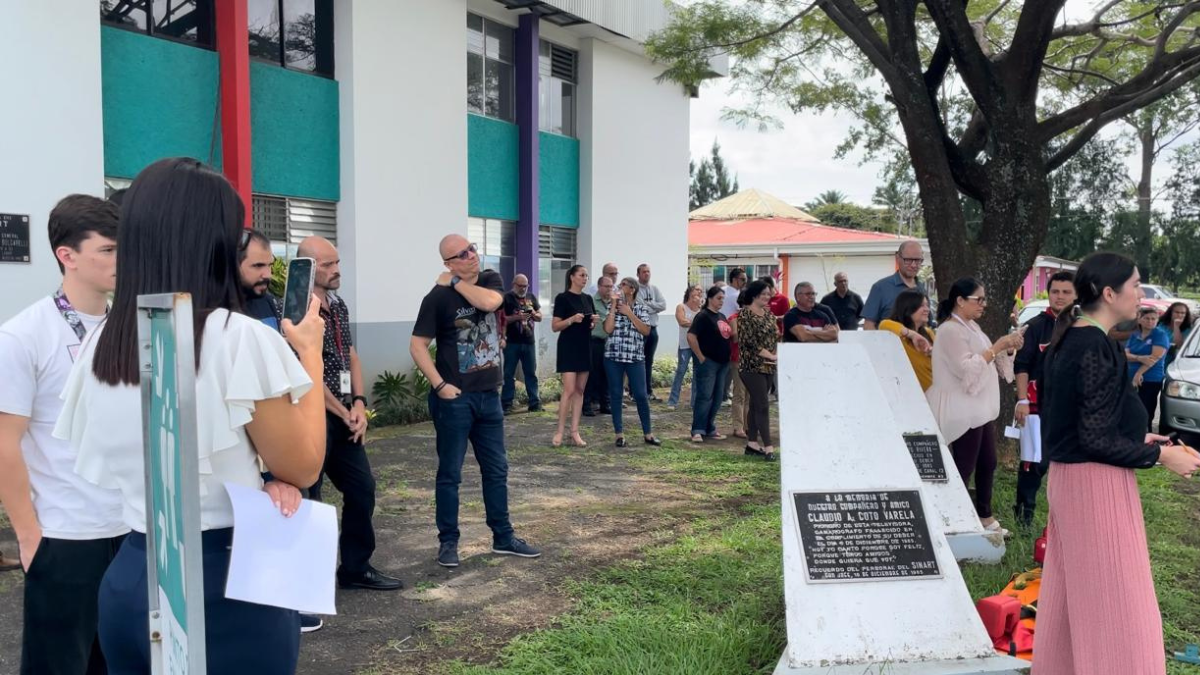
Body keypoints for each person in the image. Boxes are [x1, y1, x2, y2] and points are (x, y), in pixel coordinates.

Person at [54, 158, 327, 672]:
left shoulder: (102, 342)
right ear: (217, 242)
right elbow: (304, 466)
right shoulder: (239, 337)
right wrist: (307, 353)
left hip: (131, 572)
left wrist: (257, 475)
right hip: (225, 577)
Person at [1033, 251, 1200, 675]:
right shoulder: (1090, 343)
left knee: (1078, 599)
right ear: (1109, 293)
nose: (1142, 294)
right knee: (1117, 604)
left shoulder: (1080, 337)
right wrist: (1161, 455)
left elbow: (1083, 423)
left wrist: (1144, 438)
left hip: (1081, 479)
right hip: (1093, 486)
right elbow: (1091, 439)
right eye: (1136, 285)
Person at [0, 194, 126, 674]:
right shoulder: (24, 336)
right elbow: (4, 444)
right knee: (58, 664)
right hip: (65, 532)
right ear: (66, 255)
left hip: (129, 526)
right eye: (108, 251)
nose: (121, 261)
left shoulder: (130, 326)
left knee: (117, 659)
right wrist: (29, 536)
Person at [410, 235, 541, 568]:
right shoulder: (437, 299)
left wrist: (455, 282)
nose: (472, 255)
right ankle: (448, 542)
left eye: (472, 249)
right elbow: (417, 345)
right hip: (455, 400)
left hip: (489, 397)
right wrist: (439, 385)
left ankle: (503, 537)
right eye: (463, 254)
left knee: (497, 470)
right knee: (450, 474)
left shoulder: (489, 279)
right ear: (449, 261)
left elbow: (491, 303)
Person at [299, 236, 402, 592]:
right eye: (328, 264)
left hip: (345, 413)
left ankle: (356, 568)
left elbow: (352, 357)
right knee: (310, 499)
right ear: (309, 267)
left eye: (337, 262)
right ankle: (308, 579)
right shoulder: (297, 310)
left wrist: (359, 404)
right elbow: (304, 370)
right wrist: (343, 410)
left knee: (362, 489)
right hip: (311, 414)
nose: (337, 269)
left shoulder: (338, 304)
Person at [926, 277, 1023, 536]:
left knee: (987, 462)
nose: (984, 304)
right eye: (978, 299)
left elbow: (992, 360)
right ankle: (951, 518)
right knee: (963, 465)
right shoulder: (949, 330)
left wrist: (1009, 349)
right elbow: (966, 369)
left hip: (978, 407)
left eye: (984, 299)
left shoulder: (972, 327)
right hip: (959, 407)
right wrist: (998, 346)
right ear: (960, 301)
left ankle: (984, 515)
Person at [1011, 271, 1075, 527]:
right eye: (1055, 291)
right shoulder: (1037, 326)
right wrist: (1022, 401)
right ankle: (1024, 517)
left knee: (1069, 466)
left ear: (1076, 294)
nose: (1060, 297)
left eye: (1066, 292)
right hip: (1036, 409)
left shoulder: (1083, 326)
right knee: (1033, 464)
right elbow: (1022, 365)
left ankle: (1066, 521)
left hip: (1071, 410)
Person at [603, 277, 662, 447]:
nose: (619, 287)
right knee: (615, 394)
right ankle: (619, 434)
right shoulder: (611, 306)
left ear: (632, 289)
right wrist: (614, 306)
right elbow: (608, 329)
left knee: (641, 395)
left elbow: (645, 330)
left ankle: (648, 433)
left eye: (623, 285)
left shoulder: (642, 308)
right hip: (613, 357)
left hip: (635, 358)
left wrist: (629, 313)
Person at [551, 265, 595, 447]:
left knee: (580, 390)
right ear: (572, 277)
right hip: (568, 346)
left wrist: (592, 322)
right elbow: (555, 326)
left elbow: (589, 321)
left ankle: (574, 431)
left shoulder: (588, 298)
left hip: (585, 345)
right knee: (568, 390)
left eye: (586, 276)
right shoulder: (562, 298)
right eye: (582, 275)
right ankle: (559, 431)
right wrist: (571, 320)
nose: (585, 278)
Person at [737, 280, 779, 461]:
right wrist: (768, 355)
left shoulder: (769, 314)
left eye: (769, 294)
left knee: (755, 405)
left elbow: (775, 334)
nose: (767, 297)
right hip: (750, 366)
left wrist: (774, 353)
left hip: (769, 366)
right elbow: (748, 342)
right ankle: (769, 447)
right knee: (763, 405)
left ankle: (752, 443)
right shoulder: (745, 314)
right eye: (763, 294)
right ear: (754, 295)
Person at [687, 286, 732, 443]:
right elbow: (691, 336)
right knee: (705, 396)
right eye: (719, 298)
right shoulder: (703, 316)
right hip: (708, 362)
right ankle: (697, 429)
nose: (721, 302)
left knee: (718, 397)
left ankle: (709, 427)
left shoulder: (721, 316)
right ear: (710, 298)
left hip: (723, 363)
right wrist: (700, 356)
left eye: (723, 299)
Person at [501, 274, 543, 414]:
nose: (523, 288)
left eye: (525, 286)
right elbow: (502, 319)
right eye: (520, 286)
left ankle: (534, 403)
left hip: (529, 342)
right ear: (514, 284)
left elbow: (540, 317)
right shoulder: (506, 298)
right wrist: (518, 317)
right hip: (512, 342)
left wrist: (534, 314)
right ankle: (506, 404)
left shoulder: (531, 297)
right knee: (508, 374)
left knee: (530, 373)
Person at [863, 241, 927, 330]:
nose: (913, 265)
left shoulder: (922, 289)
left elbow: (927, 324)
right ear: (897, 258)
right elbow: (868, 325)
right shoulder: (880, 288)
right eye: (908, 260)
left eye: (917, 260)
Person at [878, 290, 935, 390]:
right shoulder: (898, 333)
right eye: (922, 305)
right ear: (908, 308)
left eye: (927, 305)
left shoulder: (929, 333)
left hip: (934, 393)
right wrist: (912, 335)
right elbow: (884, 324)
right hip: (910, 394)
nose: (927, 309)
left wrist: (933, 353)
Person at [1126, 306, 1170, 431]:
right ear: (1139, 320)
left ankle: (1146, 437)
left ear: (1157, 320)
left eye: (1153, 319)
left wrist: (1138, 374)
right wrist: (1140, 358)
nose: (1150, 321)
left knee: (1145, 411)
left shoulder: (1160, 335)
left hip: (1150, 378)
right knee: (1130, 410)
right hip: (1130, 376)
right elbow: (1125, 355)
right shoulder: (1135, 335)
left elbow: (1154, 358)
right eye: (1146, 318)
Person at [667, 285, 703, 410]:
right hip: (685, 345)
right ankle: (672, 401)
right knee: (681, 371)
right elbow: (682, 322)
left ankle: (694, 403)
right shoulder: (681, 307)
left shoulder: (701, 309)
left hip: (698, 345)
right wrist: (698, 324)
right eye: (697, 289)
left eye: (701, 290)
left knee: (697, 373)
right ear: (690, 292)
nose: (699, 292)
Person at [238, 229, 282, 330]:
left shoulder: (268, 302)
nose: (268, 275)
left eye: (269, 265)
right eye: (258, 265)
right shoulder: (215, 313)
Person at [583, 276, 614, 417]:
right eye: (606, 286)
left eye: (611, 286)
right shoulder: (591, 301)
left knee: (607, 374)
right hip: (594, 341)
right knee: (592, 374)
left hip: (609, 342)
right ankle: (586, 404)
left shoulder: (613, 303)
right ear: (600, 287)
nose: (609, 289)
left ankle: (605, 404)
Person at [635, 263, 667, 400]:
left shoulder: (654, 289)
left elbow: (663, 305)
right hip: (640, 329)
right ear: (638, 274)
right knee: (638, 361)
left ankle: (648, 391)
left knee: (649, 361)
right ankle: (635, 392)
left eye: (648, 271)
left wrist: (651, 306)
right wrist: (655, 307)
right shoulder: (635, 289)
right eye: (644, 272)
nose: (647, 274)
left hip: (653, 329)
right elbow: (641, 308)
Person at [728, 294, 750, 439]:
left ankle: (747, 425)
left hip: (752, 360)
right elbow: (735, 336)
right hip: (738, 359)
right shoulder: (734, 318)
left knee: (749, 395)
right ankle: (738, 427)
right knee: (739, 394)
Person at [1160, 301, 1193, 367]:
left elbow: (1179, 346)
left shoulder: (1187, 329)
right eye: (1177, 312)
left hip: (1172, 362)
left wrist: (1176, 326)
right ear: (1171, 313)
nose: (1180, 315)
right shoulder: (1161, 325)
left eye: (1183, 313)